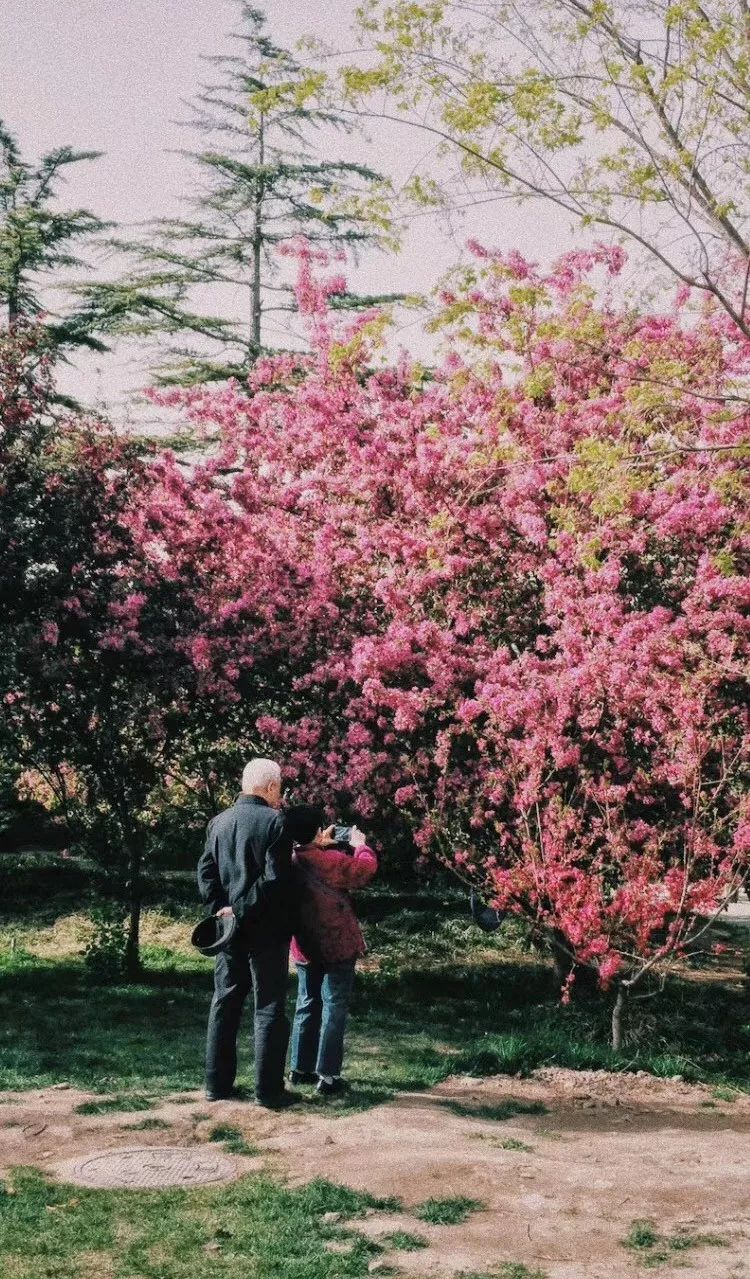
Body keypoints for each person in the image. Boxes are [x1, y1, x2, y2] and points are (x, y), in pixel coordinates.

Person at [197, 757, 297, 1109]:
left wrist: (222, 911)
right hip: (266, 929)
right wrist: (239, 910)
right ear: (270, 787)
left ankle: (216, 1085)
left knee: (225, 1002)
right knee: (268, 1006)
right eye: (280, 789)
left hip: (228, 931)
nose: (280, 796)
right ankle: (268, 1091)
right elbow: (274, 880)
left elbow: (206, 873)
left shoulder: (218, 823)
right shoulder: (276, 823)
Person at [284, 804, 377, 1096]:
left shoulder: (292, 859)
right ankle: (329, 1075)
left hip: (305, 944)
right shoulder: (332, 861)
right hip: (336, 942)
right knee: (334, 1005)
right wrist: (360, 846)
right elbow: (364, 871)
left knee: (306, 1002)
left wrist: (315, 841)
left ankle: (300, 1069)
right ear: (314, 830)